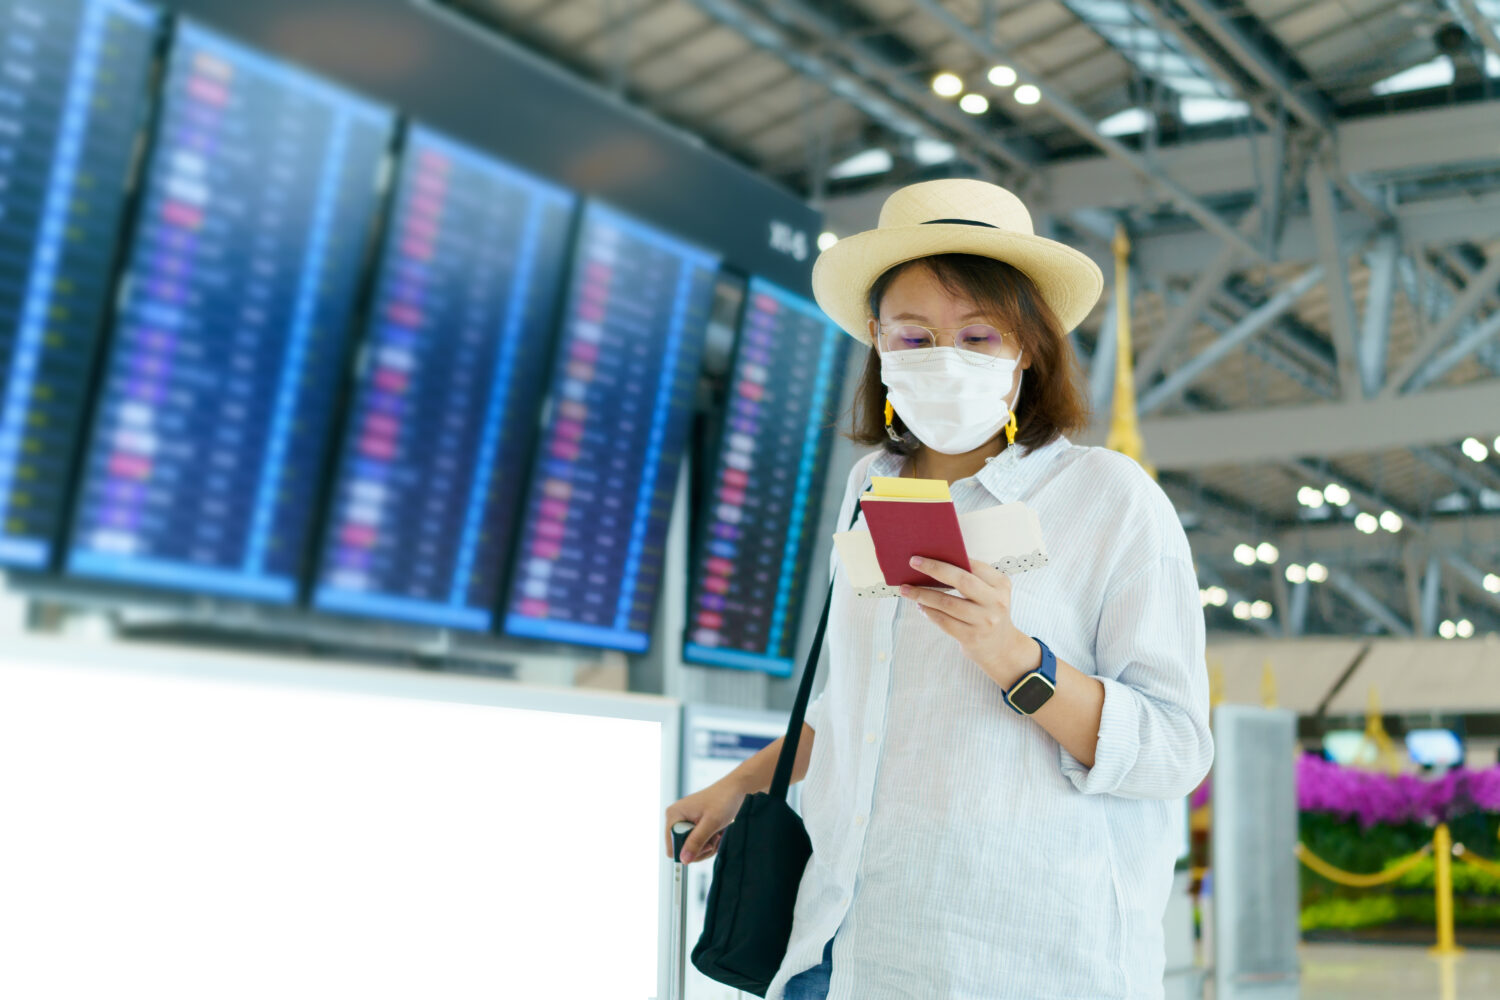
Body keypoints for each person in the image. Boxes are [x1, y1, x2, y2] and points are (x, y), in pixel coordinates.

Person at [664, 178, 1213, 999]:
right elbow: (859, 710)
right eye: (914, 336)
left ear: (1027, 348)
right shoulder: (868, 488)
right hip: (839, 948)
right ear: (879, 344)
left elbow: (1174, 750)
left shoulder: (1109, 497)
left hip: (1018, 960)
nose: (942, 358)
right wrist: (742, 784)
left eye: (979, 335)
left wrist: (1015, 658)